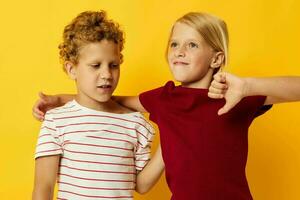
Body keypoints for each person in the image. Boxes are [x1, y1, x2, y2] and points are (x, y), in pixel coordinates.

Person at [32, 12, 300, 200]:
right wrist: (60, 99)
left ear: (217, 58)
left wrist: (248, 86)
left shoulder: (235, 95)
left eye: (192, 44)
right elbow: (109, 100)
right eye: (174, 44)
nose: (179, 51)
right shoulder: (164, 99)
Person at [32, 11, 164, 200]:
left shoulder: (136, 123)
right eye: (95, 65)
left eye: (114, 65)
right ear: (72, 69)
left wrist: (171, 140)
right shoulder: (56, 121)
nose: (107, 74)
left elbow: (141, 185)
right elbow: (43, 188)